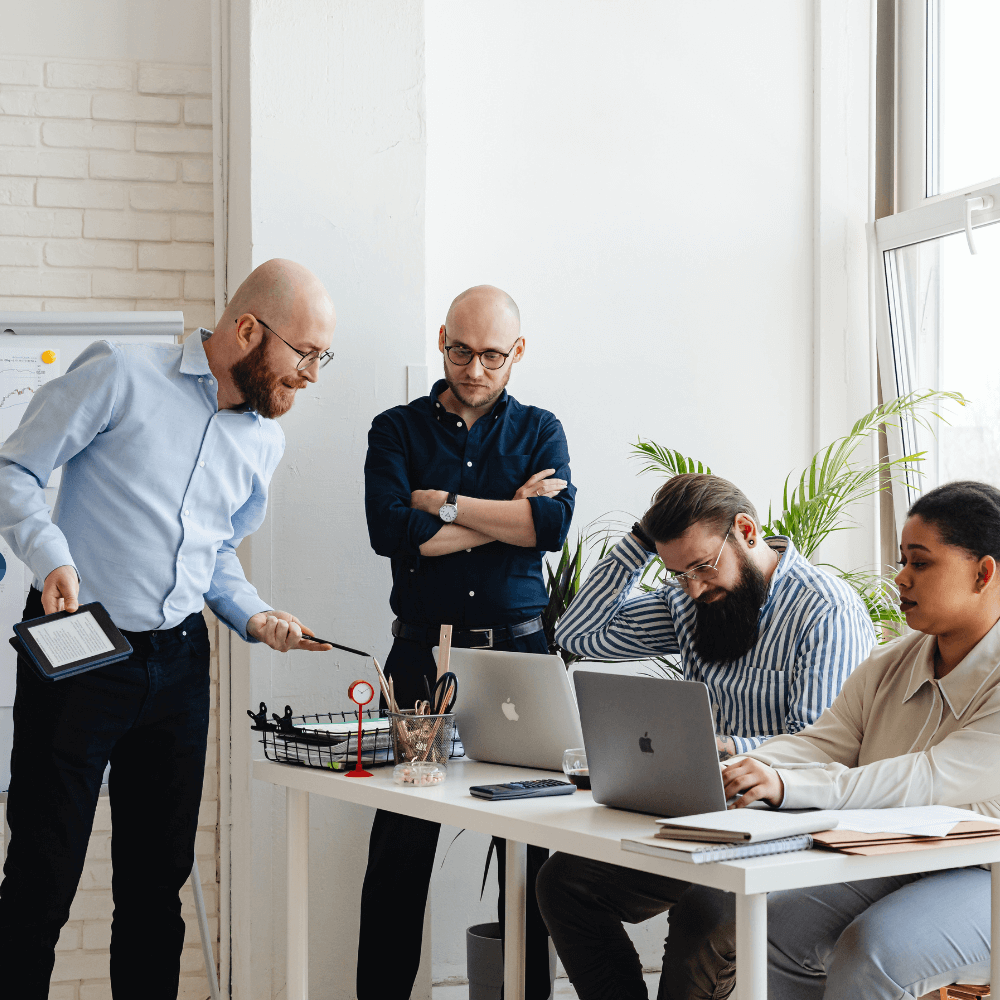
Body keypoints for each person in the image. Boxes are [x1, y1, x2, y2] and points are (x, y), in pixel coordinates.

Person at [0, 259, 338, 999]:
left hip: (179, 663)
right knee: (41, 878)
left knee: (156, 891)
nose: (313, 374)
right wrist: (51, 556)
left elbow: (214, 552)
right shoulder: (122, 374)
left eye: (323, 357)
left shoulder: (263, 442)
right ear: (247, 329)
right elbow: (14, 470)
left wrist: (255, 615)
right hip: (81, 645)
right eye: (305, 353)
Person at [537, 472, 875, 999]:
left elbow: (821, 748)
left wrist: (729, 748)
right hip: (704, 815)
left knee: (706, 910)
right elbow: (580, 634)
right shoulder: (692, 603)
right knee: (564, 883)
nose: (693, 587)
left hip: (790, 826)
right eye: (678, 574)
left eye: (702, 566)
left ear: (747, 531)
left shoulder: (825, 610)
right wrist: (640, 541)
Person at [662, 479, 1000, 1000]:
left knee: (871, 952)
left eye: (921, 562)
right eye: (902, 561)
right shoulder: (892, 662)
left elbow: (927, 780)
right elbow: (822, 743)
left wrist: (786, 787)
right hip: (902, 855)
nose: (901, 578)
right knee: (771, 928)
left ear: (983, 573)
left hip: (984, 869)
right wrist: (732, 770)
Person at [360, 285, 576, 1000]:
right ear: (441, 339)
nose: (474, 370)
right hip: (420, 660)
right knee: (400, 843)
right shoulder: (396, 429)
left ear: (518, 352)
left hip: (520, 657)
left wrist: (444, 506)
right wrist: (507, 514)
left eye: (491, 356)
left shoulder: (541, 430)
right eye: (460, 351)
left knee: (531, 845)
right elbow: (392, 532)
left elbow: (550, 529)